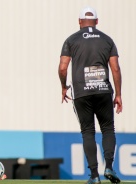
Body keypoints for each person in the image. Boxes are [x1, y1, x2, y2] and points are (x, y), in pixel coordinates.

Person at [58, 6, 122, 184]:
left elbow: (63, 67)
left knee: (88, 132)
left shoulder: (71, 40)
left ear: (79, 21)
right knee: (108, 129)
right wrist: (118, 94)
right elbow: (115, 68)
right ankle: (109, 166)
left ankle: (94, 175)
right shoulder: (107, 40)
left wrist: (64, 87)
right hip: (103, 91)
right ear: (97, 21)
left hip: (81, 92)